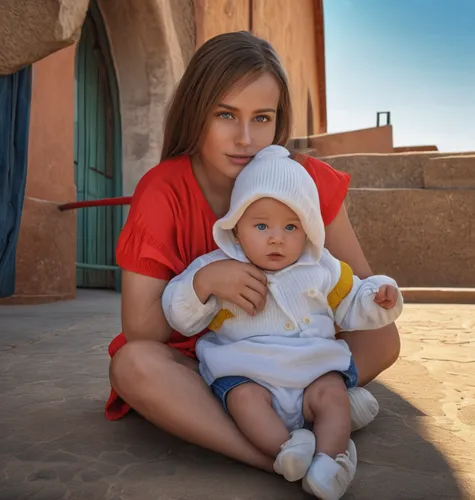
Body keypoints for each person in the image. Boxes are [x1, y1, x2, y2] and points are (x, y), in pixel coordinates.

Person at [106, 30, 401, 477]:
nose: (245, 137)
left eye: (262, 118)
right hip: (214, 367)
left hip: (300, 354)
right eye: (226, 114)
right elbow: (143, 330)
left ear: (278, 121)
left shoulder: (307, 180)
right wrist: (206, 283)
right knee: (132, 365)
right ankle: (280, 455)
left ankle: (306, 409)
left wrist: (372, 298)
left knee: (384, 335)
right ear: (195, 113)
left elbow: (356, 286)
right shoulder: (163, 189)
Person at [161, 145, 403, 499]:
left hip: (312, 373)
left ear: (307, 230)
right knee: (244, 402)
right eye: (261, 225)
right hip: (249, 374)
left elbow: (353, 304)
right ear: (237, 228)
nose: (276, 237)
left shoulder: (322, 268)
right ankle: (287, 449)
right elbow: (179, 315)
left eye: (291, 226)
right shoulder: (217, 267)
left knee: (332, 396)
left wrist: (378, 297)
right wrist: (204, 283)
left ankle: (330, 461)